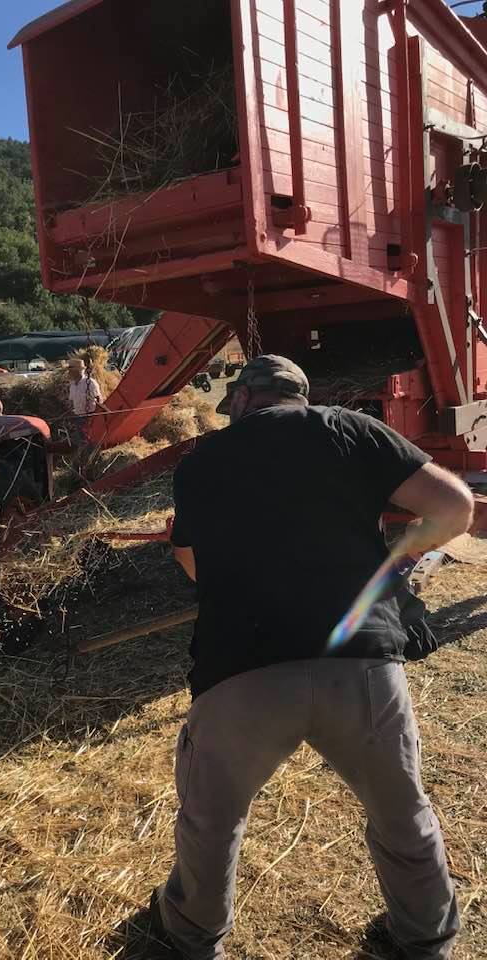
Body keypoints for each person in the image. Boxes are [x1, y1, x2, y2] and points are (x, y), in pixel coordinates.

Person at [152, 355, 473, 960]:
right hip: (363, 663)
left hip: (242, 665)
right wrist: (396, 566)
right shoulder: (351, 428)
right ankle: (426, 940)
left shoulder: (202, 460)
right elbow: (455, 508)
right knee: (402, 815)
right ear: (300, 396)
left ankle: (192, 937)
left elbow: (193, 565)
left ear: (242, 399)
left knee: (212, 822)